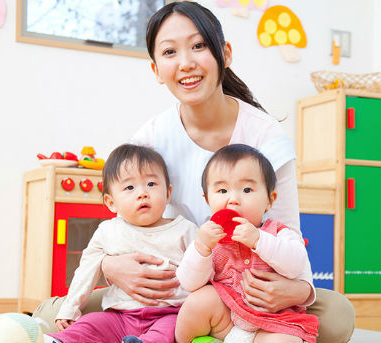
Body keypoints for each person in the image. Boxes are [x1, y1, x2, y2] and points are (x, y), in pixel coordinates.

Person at [32, 2, 355, 343]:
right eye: (170, 52)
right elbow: (123, 226)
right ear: (157, 70)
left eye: (199, 46)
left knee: (337, 315)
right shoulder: (151, 138)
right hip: (170, 293)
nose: (186, 63)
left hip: (246, 288)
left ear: (224, 54)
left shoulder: (265, 136)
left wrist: (297, 291)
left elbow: (290, 234)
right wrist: (111, 266)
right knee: (55, 315)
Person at [45, 144, 198, 343]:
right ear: (111, 203)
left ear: (168, 193)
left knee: (173, 330)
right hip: (120, 315)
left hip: (169, 313)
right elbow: (87, 270)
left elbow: (205, 268)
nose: (142, 193)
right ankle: (61, 340)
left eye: (151, 184)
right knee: (90, 323)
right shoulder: (108, 231)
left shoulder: (186, 230)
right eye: (129, 187)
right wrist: (70, 308)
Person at [175, 144, 319, 343]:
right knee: (197, 302)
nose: (233, 199)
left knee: (285, 341)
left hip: (275, 322)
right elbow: (189, 283)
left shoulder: (278, 233)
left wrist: (259, 240)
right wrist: (202, 248)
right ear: (207, 200)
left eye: (247, 189)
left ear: (270, 200)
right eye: (222, 190)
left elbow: (296, 265)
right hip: (226, 317)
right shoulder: (209, 237)